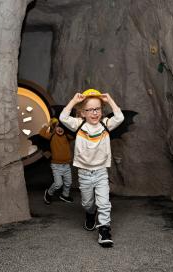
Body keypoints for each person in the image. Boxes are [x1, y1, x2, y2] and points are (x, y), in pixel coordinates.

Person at [59, 89, 124, 247]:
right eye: (90, 110)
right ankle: (90, 214)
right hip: (84, 173)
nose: (95, 113)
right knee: (88, 203)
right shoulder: (78, 125)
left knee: (104, 203)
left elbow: (120, 117)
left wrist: (110, 100)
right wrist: (74, 101)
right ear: (82, 113)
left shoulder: (106, 125)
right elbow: (62, 117)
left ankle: (104, 230)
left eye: (98, 109)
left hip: (101, 171)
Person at [39, 117, 74, 204]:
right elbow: (42, 133)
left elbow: (73, 135)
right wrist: (47, 125)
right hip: (56, 166)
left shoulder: (67, 136)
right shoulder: (52, 136)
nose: (60, 129)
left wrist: (69, 126)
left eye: (62, 127)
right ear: (54, 128)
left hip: (66, 165)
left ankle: (65, 195)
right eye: (58, 127)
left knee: (68, 183)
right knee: (58, 184)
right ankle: (49, 193)